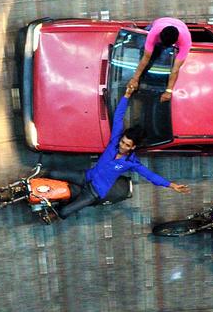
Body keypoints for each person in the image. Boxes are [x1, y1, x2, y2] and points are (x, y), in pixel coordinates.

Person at [48, 85, 190, 219]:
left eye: (126, 145)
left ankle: (54, 213)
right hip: (86, 176)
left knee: (64, 212)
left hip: (94, 192)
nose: (122, 145)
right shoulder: (115, 141)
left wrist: (171, 185)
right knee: (52, 173)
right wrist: (126, 96)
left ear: (132, 147)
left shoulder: (131, 163)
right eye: (122, 141)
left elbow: (151, 176)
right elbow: (118, 118)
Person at [127, 17, 192, 103]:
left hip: (181, 27)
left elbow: (175, 69)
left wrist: (168, 91)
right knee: (142, 45)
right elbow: (145, 58)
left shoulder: (185, 42)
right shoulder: (154, 32)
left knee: (163, 54)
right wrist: (135, 79)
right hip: (159, 22)